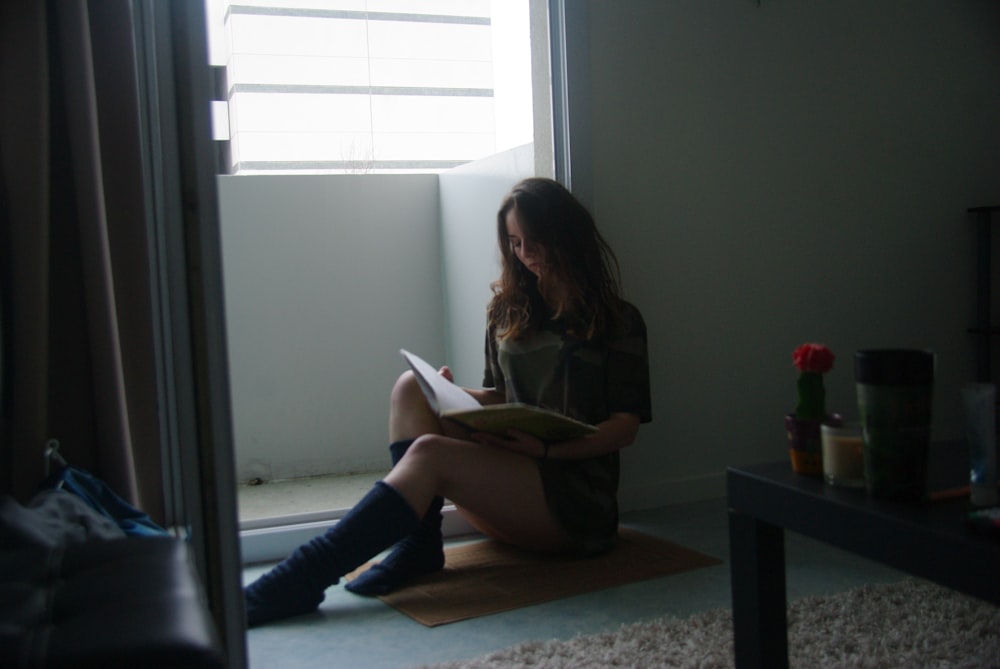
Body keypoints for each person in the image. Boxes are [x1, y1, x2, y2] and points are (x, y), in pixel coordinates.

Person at [244, 177, 652, 627]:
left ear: (565, 235)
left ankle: (301, 576)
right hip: (515, 478)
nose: (525, 253)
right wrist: (450, 392)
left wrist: (549, 449)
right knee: (409, 386)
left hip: (576, 507)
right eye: (514, 242)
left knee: (429, 455)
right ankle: (420, 545)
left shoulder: (617, 320)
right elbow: (501, 396)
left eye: (534, 240)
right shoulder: (508, 311)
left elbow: (625, 426)